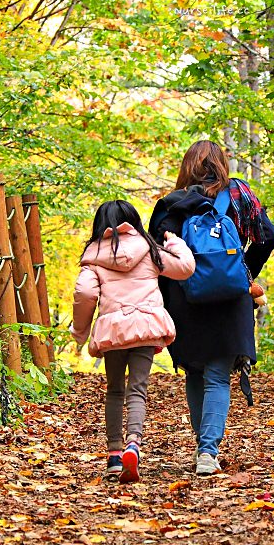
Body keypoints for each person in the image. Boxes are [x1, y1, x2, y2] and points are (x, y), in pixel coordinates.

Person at [150, 140, 274, 476]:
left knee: (195, 371)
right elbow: (268, 235)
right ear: (222, 164)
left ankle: (202, 446)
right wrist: (243, 271)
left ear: (186, 166)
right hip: (230, 298)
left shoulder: (171, 205)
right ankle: (208, 452)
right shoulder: (239, 196)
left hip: (185, 298)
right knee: (218, 376)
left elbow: (156, 258)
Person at [70, 200, 195, 482]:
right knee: (138, 389)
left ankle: (114, 455)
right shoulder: (150, 251)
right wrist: (175, 243)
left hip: (114, 332)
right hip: (145, 327)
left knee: (115, 391)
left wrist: (80, 332)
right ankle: (133, 444)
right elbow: (185, 268)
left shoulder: (93, 257)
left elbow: (86, 294)